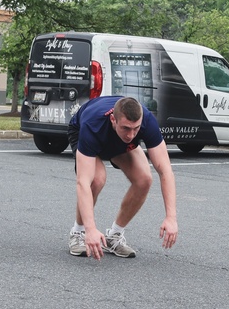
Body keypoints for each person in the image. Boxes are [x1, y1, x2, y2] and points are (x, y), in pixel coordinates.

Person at [67, 95, 178, 259]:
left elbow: (166, 171)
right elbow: (82, 182)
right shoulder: (92, 124)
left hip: (116, 141)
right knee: (96, 179)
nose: (131, 135)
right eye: (126, 128)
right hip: (85, 133)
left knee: (144, 179)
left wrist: (171, 218)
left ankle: (114, 236)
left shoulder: (146, 120)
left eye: (136, 129)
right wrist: (90, 229)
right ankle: (78, 232)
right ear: (113, 119)